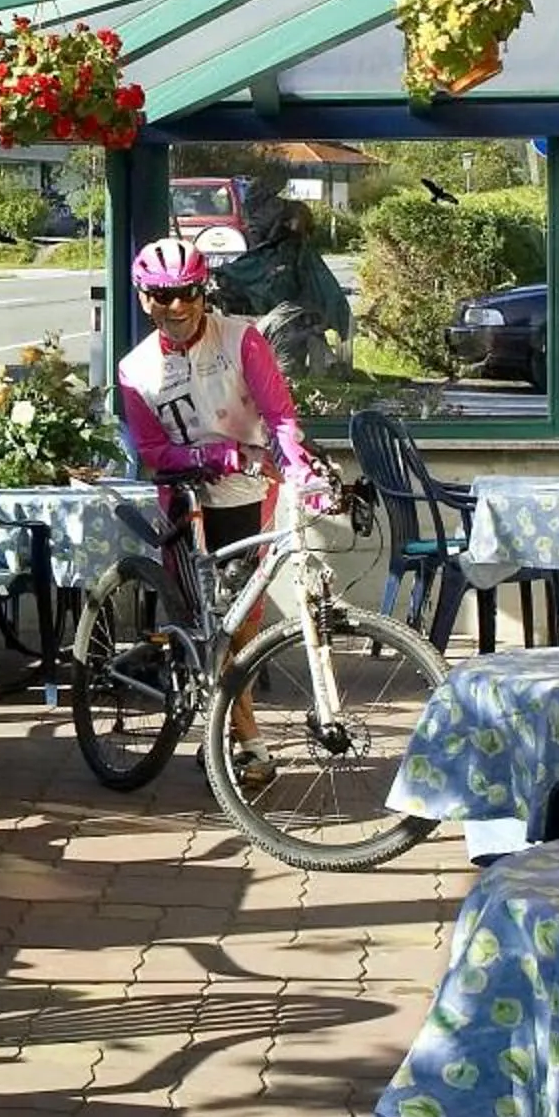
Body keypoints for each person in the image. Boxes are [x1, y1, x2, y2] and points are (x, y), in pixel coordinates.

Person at [116, 236, 321, 789]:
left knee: (239, 623)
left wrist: (301, 469)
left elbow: (280, 417)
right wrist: (211, 454)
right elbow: (153, 452)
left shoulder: (241, 340)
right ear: (143, 298)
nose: (175, 307)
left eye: (186, 292)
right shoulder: (135, 369)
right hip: (184, 494)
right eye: (161, 296)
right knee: (203, 624)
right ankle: (242, 740)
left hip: (245, 493)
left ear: (203, 291)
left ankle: (237, 736)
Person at [209, 197, 351, 376]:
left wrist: (222, 274)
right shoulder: (288, 254)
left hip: (289, 322)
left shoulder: (289, 255)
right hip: (292, 321)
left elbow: (248, 273)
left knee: (292, 363)